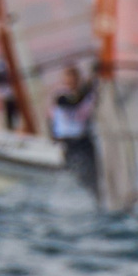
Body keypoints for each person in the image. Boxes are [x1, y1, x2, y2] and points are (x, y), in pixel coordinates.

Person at [50, 65, 99, 199]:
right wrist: (91, 83)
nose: (71, 82)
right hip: (69, 143)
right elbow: (74, 102)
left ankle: (96, 200)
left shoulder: (88, 96)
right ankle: (73, 200)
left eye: (73, 79)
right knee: (75, 175)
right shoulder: (60, 96)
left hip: (84, 141)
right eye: (68, 80)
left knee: (94, 177)